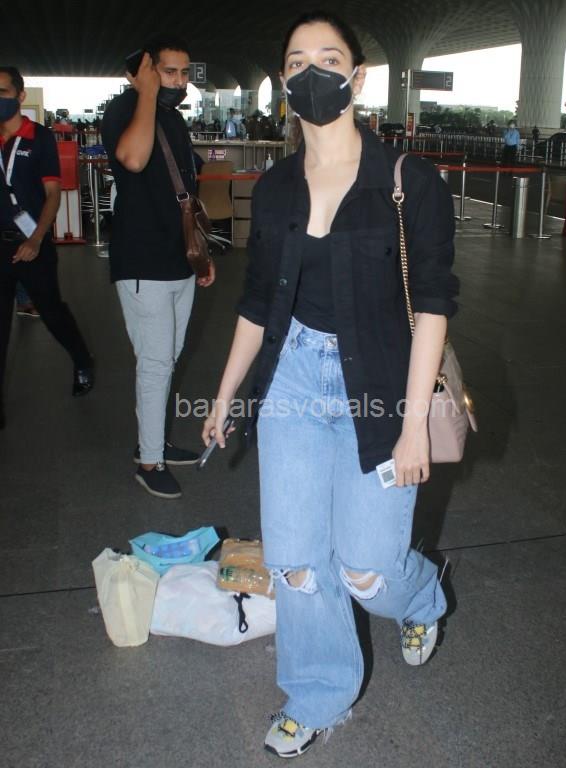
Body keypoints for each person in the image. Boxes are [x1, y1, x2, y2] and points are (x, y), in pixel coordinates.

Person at [202, 11, 458, 759]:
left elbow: (433, 305)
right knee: (294, 560)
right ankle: (318, 692)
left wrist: (413, 425)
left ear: (357, 76)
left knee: (367, 569)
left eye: (328, 58)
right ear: (283, 81)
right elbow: (257, 301)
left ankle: (422, 595)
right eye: (295, 61)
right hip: (291, 379)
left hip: (380, 384)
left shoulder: (408, 181)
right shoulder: (276, 187)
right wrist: (225, 393)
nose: (311, 72)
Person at [102, 35, 215, 500]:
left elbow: (184, 191)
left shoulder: (172, 117)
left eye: (185, 73)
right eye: (169, 72)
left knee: (167, 359)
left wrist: (200, 255)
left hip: (178, 259)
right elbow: (133, 158)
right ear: (145, 72)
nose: (179, 81)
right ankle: (149, 461)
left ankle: (154, 440)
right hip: (142, 262)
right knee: (154, 364)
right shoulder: (124, 109)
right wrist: (146, 92)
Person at [0, 66, 93, 430]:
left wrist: (37, 239)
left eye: (3, 92)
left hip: (32, 243)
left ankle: (82, 359)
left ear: (20, 96)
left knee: (52, 312)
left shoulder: (38, 138)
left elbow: (53, 194)